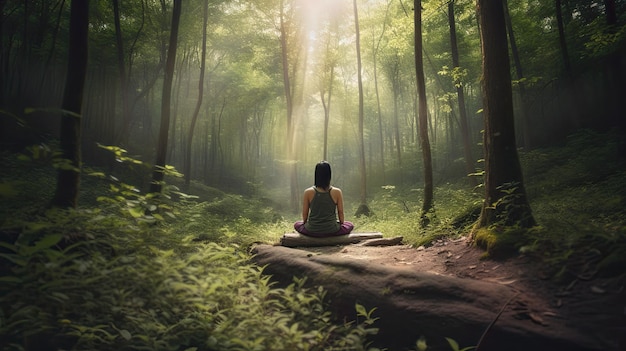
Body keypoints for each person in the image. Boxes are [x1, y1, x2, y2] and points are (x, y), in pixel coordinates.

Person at [294, 161, 354, 237]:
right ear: (329, 175)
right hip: (332, 230)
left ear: (316, 175)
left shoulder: (308, 192)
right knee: (349, 224)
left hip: (312, 230)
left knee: (297, 224)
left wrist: (305, 224)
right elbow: (340, 212)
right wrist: (341, 225)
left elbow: (305, 213)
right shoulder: (337, 192)